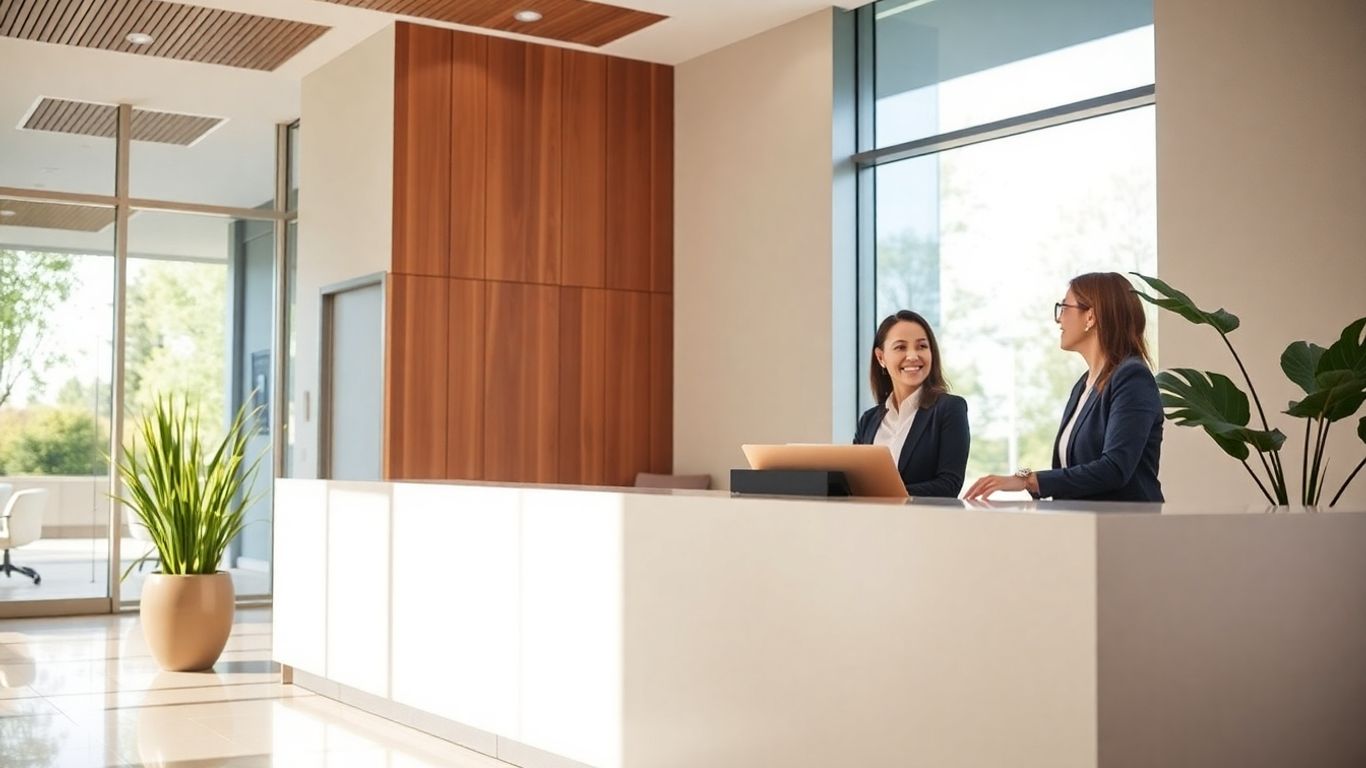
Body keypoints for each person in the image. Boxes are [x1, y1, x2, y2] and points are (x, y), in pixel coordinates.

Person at [964, 272, 1164, 502]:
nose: (1059, 319)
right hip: (1084, 527)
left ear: (1091, 316)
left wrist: (1028, 480)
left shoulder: (1132, 378)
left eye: (1064, 308)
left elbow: (1115, 469)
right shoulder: (1083, 385)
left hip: (1126, 529)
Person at [855, 310, 970, 497]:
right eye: (900, 347)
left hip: (922, 523)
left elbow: (949, 485)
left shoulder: (949, 409)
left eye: (922, 346)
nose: (912, 356)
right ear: (881, 357)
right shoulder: (868, 420)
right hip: (869, 523)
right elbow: (854, 479)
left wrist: (884, 494)